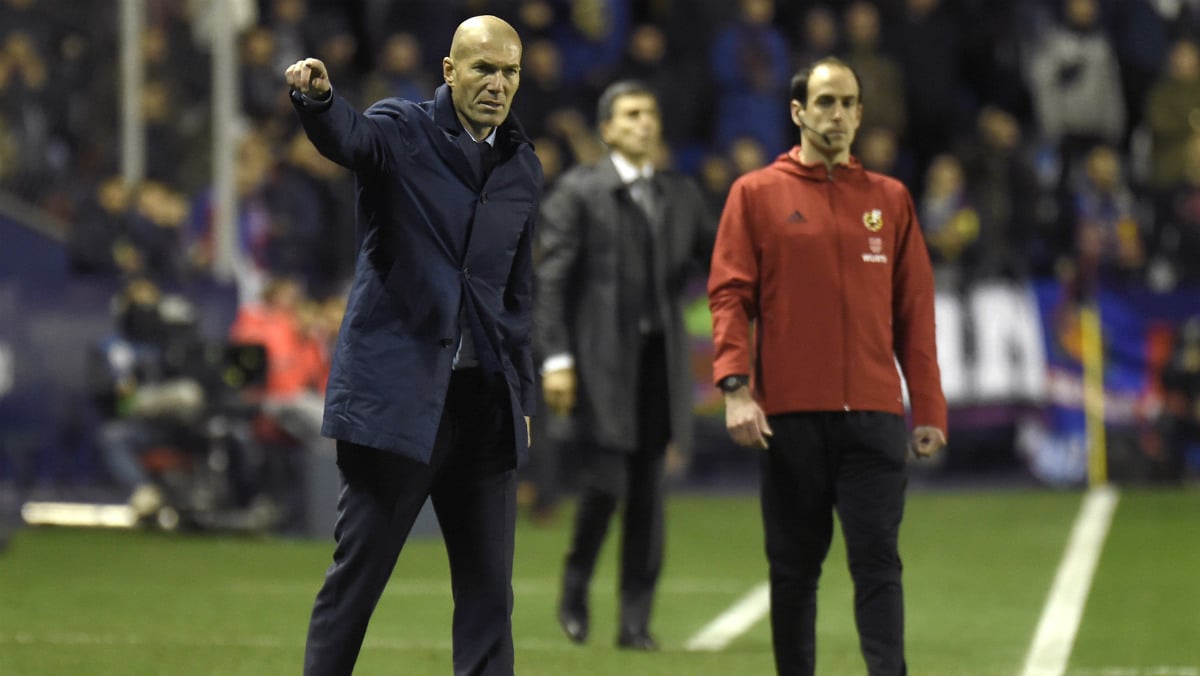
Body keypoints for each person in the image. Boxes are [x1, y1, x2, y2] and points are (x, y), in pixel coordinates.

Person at [284, 14, 543, 676]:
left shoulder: (522, 166)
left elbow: (518, 294)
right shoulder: (400, 130)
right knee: (357, 584)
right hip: (398, 398)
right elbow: (348, 137)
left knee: (490, 598)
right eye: (484, 68)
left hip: (483, 402)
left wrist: (524, 395)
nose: (497, 83)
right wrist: (316, 101)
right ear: (451, 71)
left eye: (509, 71)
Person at [707, 56, 948, 676]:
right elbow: (729, 296)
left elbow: (915, 314)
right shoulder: (755, 194)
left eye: (846, 104)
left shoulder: (890, 200)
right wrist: (736, 388)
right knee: (792, 572)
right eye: (823, 103)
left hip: (873, 418)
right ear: (798, 112)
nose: (836, 115)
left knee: (878, 563)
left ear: (861, 114)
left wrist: (930, 408)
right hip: (789, 418)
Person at [535, 80, 714, 650]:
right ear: (607, 128)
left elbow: (723, 259)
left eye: (651, 113)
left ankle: (635, 621)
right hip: (597, 364)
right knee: (605, 486)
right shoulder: (578, 191)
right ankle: (576, 580)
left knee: (648, 494)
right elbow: (552, 281)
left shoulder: (678, 194)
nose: (645, 123)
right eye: (632, 114)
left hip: (658, 364)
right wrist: (557, 358)